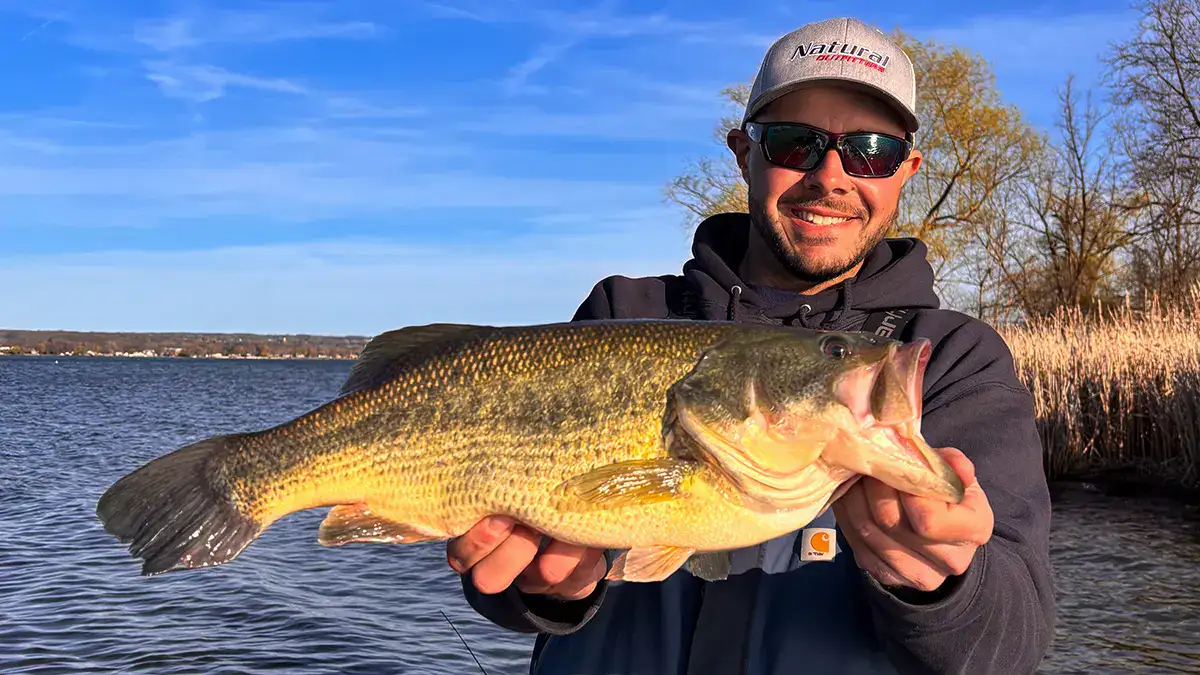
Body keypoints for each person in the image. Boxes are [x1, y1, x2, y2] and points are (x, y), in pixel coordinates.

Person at [446, 16, 1056, 674]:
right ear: (744, 152)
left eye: (871, 150)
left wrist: (943, 588)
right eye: (796, 143)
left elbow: (1011, 645)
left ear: (905, 169)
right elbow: (508, 561)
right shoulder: (625, 314)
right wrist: (542, 589)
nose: (830, 175)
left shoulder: (952, 360)